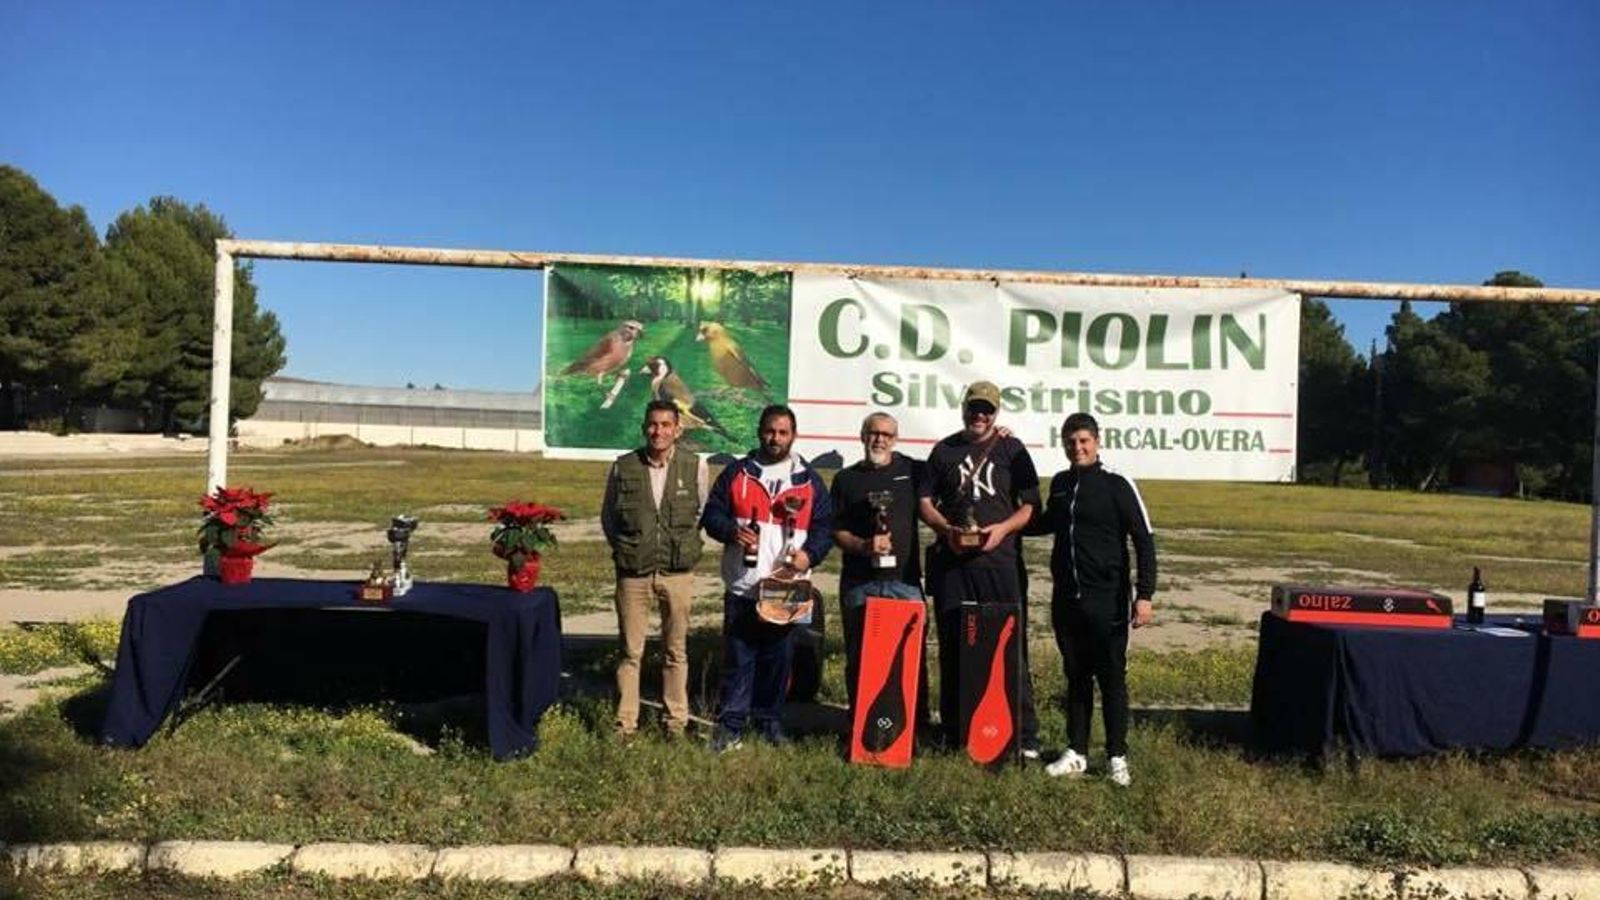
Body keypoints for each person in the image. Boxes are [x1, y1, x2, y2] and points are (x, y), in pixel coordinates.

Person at [1028, 412, 1156, 787]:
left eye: (1084, 441)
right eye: (1070, 442)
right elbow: (1047, 522)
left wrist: (1145, 595)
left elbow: (1144, 540)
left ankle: (1117, 756)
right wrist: (1007, 522)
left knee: (1112, 678)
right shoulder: (1062, 484)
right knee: (1076, 677)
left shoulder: (1117, 484)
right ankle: (1076, 752)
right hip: (1067, 600)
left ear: (1097, 442)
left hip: (1109, 599)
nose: (1077, 448)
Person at [917, 381, 1043, 757]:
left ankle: (1024, 735)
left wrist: (1001, 530)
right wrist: (946, 530)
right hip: (955, 567)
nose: (980, 415)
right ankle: (957, 730)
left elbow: (1031, 505)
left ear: (997, 412)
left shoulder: (1011, 449)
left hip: (1000, 564)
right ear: (964, 408)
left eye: (987, 409)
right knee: (955, 645)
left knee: (1010, 649)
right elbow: (924, 500)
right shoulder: (944, 450)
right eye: (974, 408)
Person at [700, 404, 834, 752]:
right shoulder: (737, 473)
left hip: (786, 585)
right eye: (770, 431)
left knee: (778, 659)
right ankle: (731, 726)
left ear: (793, 435)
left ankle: (769, 722)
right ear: (760, 432)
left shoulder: (809, 480)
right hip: (744, 584)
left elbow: (824, 527)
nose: (775, 438)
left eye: (783, 432)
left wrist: (809, 555)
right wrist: (730, 530)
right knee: (739, 659)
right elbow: (712, 514)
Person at [600, 399, 711, 740]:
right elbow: (608, 518)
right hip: (633, 573)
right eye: (652, 424)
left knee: (675, 650)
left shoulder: (696, 467)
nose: (658, 431)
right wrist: (627, 549)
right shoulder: (623, 467)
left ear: (678, 429)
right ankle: (625, 724)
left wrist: (686, 548)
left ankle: (675, 722)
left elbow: (702, 515)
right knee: (631, 651)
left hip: (677, 574)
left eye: (666, 425)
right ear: (644, 427)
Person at [829, 412, 929, 732]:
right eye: (873, 433)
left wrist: (998, 437)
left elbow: (953, 472)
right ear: (862, 436)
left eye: (886, 434)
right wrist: (863, 545)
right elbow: (836, 530)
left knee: (911, 658)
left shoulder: (913, 471)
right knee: (859, 656)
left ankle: (915, 725)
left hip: (905, 582)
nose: (879, 439)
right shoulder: (846, 479)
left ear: (895, 439)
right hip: (860, 583)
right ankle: (860, 721)